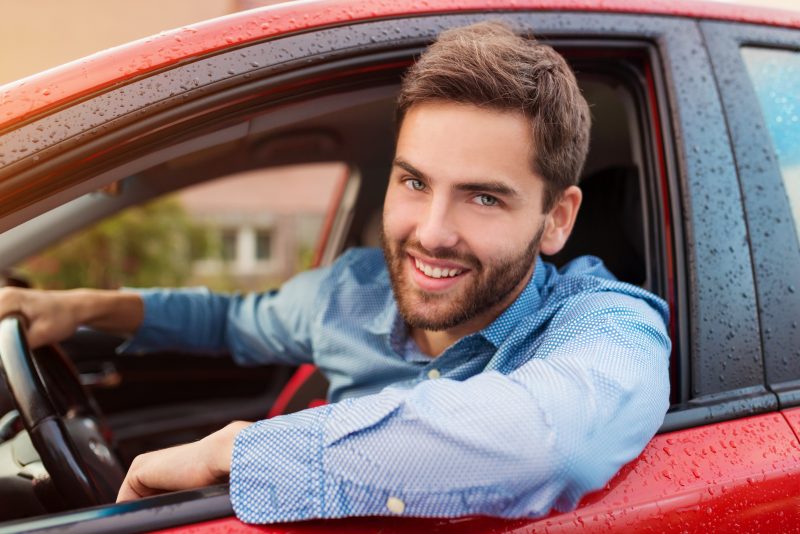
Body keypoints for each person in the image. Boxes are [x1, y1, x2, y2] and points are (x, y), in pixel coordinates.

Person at [0, 22, 670, 523]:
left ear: (557, 218)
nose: (431, 232)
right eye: (414, 182)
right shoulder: (352, 291)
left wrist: (239, 452)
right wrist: (81, 305)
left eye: (484, 197)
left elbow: (545, 442)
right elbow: (229, 319)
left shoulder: (607, 323)